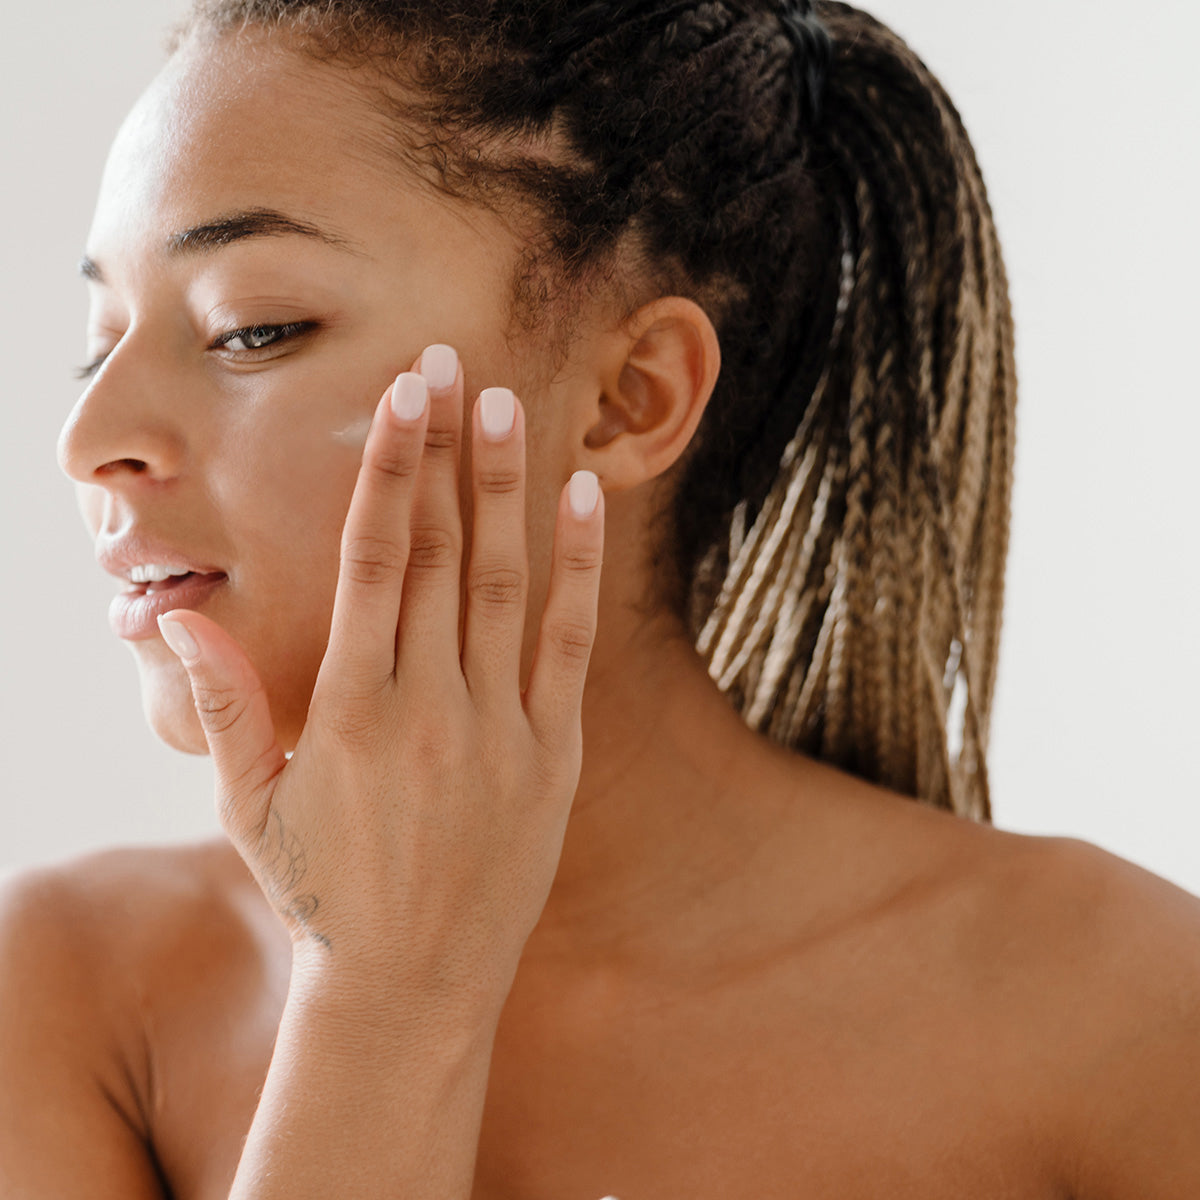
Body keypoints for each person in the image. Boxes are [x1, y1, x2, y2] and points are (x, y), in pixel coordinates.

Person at [2, 0, 1198, 1195]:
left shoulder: (1122, 1019)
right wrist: (382, 992)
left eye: (251, 329)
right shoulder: (68, 999)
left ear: (630, 397)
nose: (87, 439)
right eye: (99, 340)